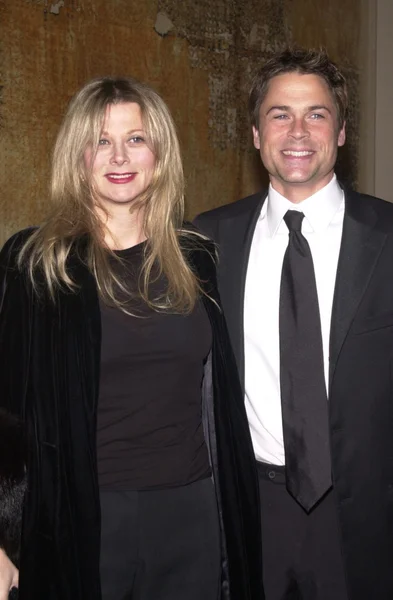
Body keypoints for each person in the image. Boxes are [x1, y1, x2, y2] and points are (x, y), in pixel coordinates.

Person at [0, 77, 262, 600]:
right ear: (77, 156)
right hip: (80, 519)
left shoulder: (197, 258)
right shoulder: (36, 264)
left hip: (190, 513)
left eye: (136, 138)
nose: (119, 155)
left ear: (160, 154)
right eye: (100, 140)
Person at [195, 47, 393, 600]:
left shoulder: (389, 238)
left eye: (317, 114)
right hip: (250, 511)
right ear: (256, 134)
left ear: (343, 131)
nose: (298, 131)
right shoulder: (206, 241)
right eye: (280, 114)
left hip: (367, 518)